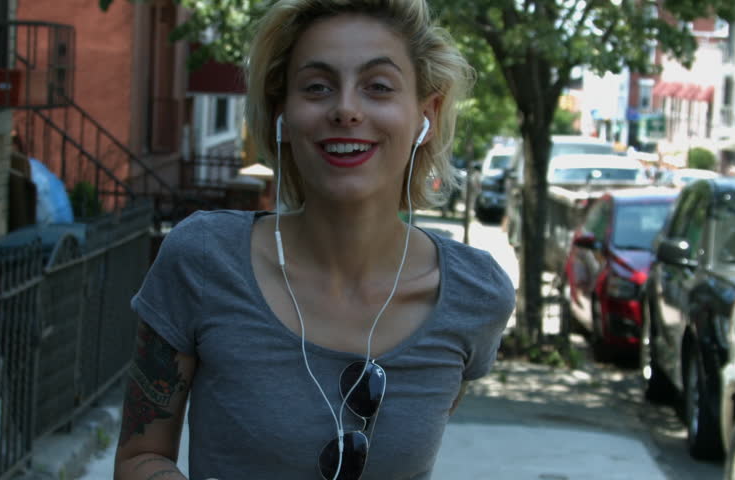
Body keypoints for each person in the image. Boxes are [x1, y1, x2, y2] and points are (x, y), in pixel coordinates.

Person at [114, 0, 515, 478]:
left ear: (424, 115)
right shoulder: (202, 258)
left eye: (378, 87)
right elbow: (141, 458)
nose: (345, 109)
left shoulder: (474, 295)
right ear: (282, 112)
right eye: (318, 86)